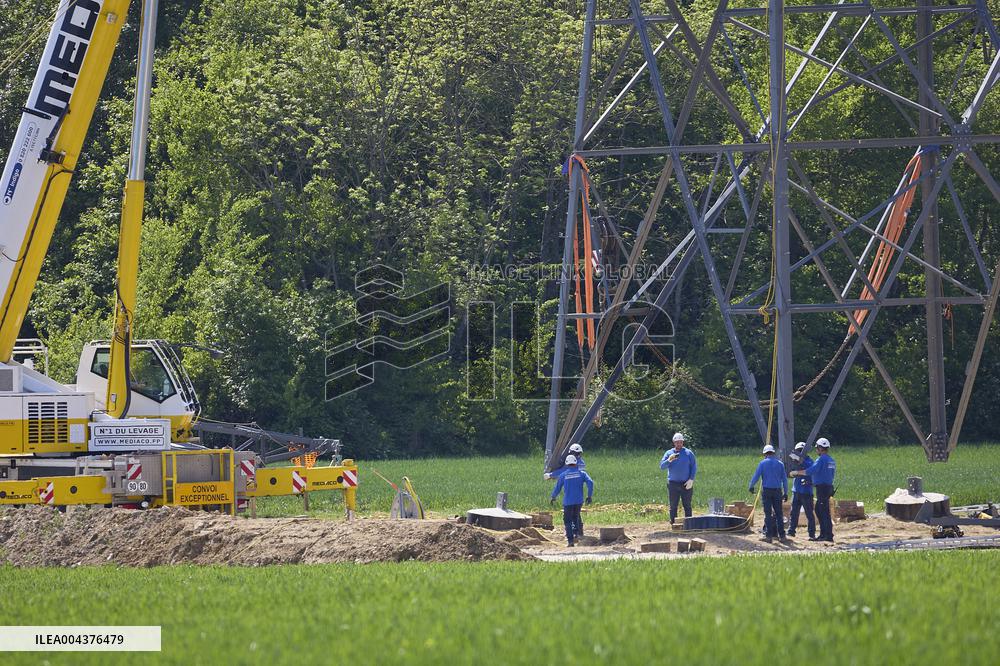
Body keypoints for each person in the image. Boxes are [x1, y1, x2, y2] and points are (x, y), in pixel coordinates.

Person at [794, 437, 836, 542]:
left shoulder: (821, 459)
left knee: (822, 511)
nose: (816, 450)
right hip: (828, 487)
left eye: (817, 448)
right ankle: (825, 534)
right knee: (822, 510)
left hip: (822, 489)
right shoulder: (831, 460)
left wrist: (797, 472)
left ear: (821, 448)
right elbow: (825, 474)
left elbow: (811, 470)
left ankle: (826, 535)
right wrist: (813, 482)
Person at [550, 455, 594, 547]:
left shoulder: (563, 475)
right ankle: (577, 534)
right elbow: (590, 482)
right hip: (579, 501)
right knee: (576, 516)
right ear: (576, 463)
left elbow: (557, 488)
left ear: (567, 464)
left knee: (567, 520)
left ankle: (570, 541)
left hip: (568, 502)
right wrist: (589, 496)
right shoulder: (582, 474)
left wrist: (553, 497)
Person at [748, 444, 789, 542]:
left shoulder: (762, 464)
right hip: (777, 491)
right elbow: (785, 480)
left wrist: (751, 486)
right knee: (779, 514)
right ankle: (782, 536)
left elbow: (756, 476)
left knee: (768, 514)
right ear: (773, 453)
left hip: (767, 491)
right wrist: (786, 492)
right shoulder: (780, 464)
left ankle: (769, 536)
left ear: (765, 454)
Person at [659, 432, 696, 525]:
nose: (679, 444)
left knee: (687, 505)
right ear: (673, 442)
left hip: (686, 483)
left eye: (680, 442)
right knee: (673, 505)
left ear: (683, 442)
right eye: (677, 442)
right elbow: (662, 467)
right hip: (673, 484)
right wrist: (669, 460)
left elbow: (694, 467)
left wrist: (691, 479)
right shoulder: (669, 453)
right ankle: (673, 524)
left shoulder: (688, 453)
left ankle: (689, 524)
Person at [787, 441, 815, 540]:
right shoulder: (794, 462)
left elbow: (810, 468)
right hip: (796, 491)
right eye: (798, 451)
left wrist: (800, 460)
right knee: (794, 512)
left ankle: (811, 534)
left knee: (809, 514)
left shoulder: (810, 461)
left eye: (800, 451)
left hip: (806, 492)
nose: (799, 452)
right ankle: (791, 531)